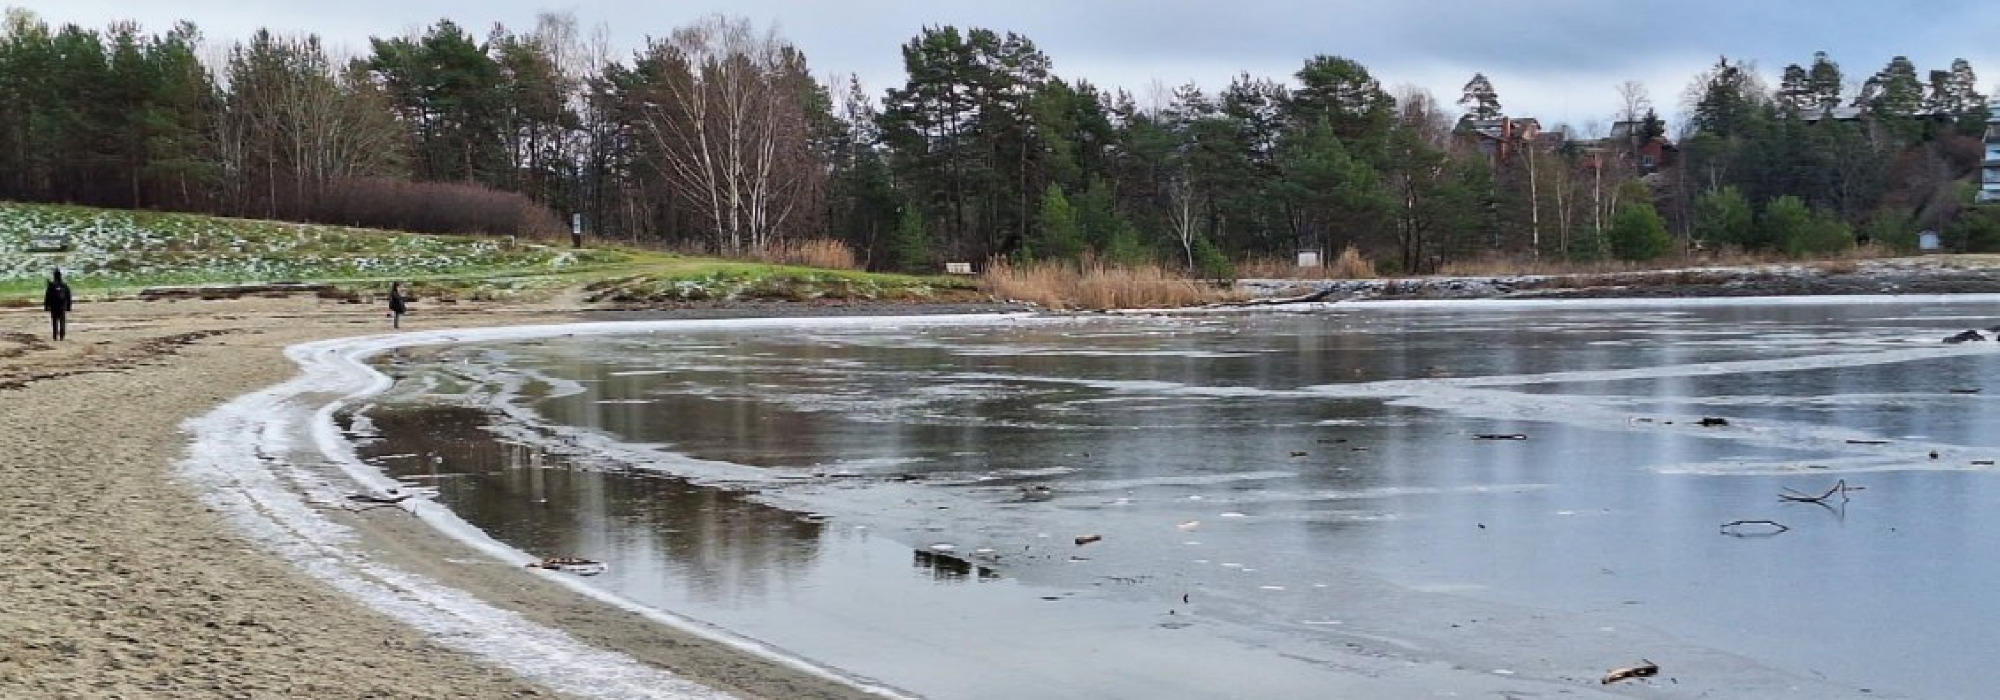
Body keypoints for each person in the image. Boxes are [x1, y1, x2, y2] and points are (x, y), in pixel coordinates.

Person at [43, 268, 72, 341]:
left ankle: (55, 336)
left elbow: (47, 296)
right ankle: (62, 335)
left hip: (53, 306)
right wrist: (68, 306)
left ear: (54, 276)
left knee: (54, 321)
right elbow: (68, 296)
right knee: (62, 321)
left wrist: (46, 306)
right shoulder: (64, 285)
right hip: (62, 306)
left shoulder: (51, 286)